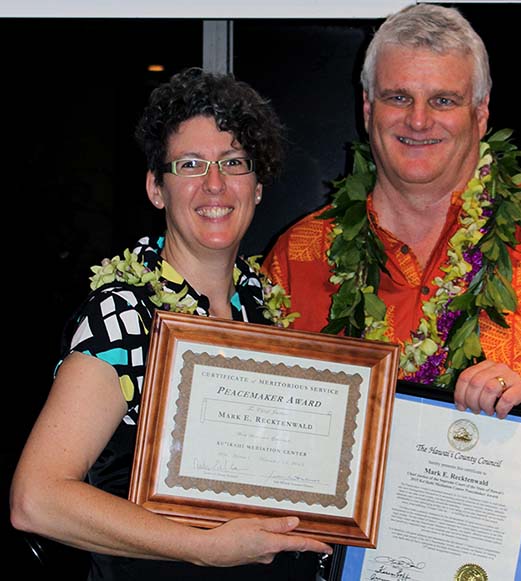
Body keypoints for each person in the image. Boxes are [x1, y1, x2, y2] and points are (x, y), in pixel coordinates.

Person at [262, 4, 521, 579]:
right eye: (399, 97)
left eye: (444, 100)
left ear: (480, 115)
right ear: (368, 109)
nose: (419, 120)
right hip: (341, 565)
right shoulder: (300, 252)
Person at [10, 67, 332, 580]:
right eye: (189, 164)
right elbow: (36, 498)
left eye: (233, 162)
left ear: (259, 187)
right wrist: (201, 546)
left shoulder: (266, 308)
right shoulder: (124, 316)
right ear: (156, 189)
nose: (214, 184)